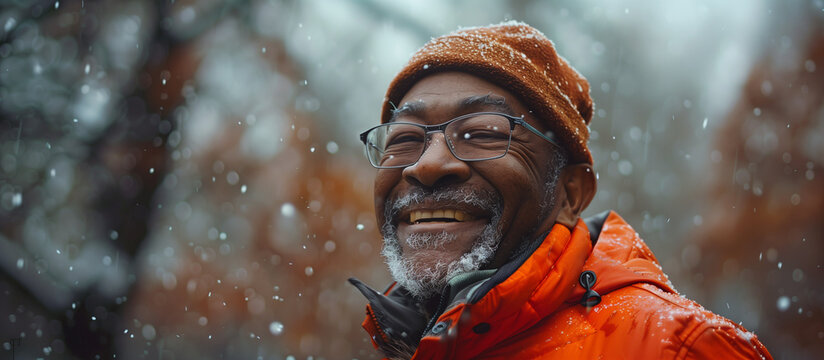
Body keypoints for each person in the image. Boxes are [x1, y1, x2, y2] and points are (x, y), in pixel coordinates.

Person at [348, 21, 772, 360]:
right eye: (404, 139)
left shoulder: (681, 348)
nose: (427, 164)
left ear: (570, 194)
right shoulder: (401, 344)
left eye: (483, 132)